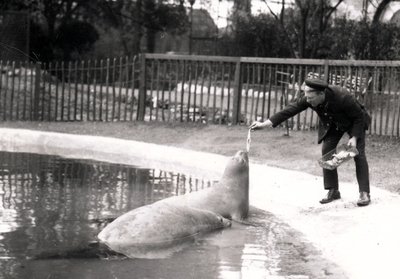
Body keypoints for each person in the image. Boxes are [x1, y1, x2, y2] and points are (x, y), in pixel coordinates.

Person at [250, 78, 371, 206]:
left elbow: (359, 117)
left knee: (359, 154)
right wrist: (264, 124)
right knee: (327, 150)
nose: (307, 101)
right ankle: (333, 190)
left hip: (355, 123)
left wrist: (354, 137)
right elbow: (290, 110)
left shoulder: (342, 96)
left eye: (311, 98)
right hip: (334, 124)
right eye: (306, 97)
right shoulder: (310, 97)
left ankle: (364, 193)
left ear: (321, 94)